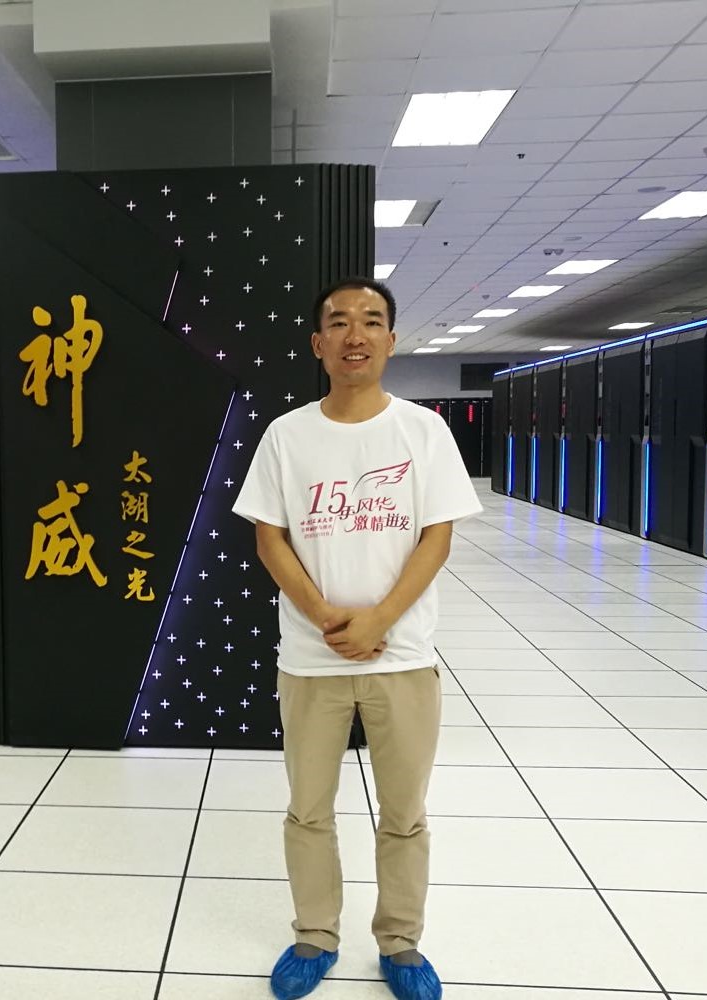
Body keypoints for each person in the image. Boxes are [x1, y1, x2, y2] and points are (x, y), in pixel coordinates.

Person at [232, 277, 482, 1000]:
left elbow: (437, 538)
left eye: (371, 321)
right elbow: (270, 539)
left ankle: (400, 943)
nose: (355, 334)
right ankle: (315, 935)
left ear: (391, 341)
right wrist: (323, 616)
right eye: (339, 322)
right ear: (318, 343)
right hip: (310, 660)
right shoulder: (287, 435)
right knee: (309, 809)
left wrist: (379, 620)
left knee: (403, 814)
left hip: (403, 656)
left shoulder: (424, 431)